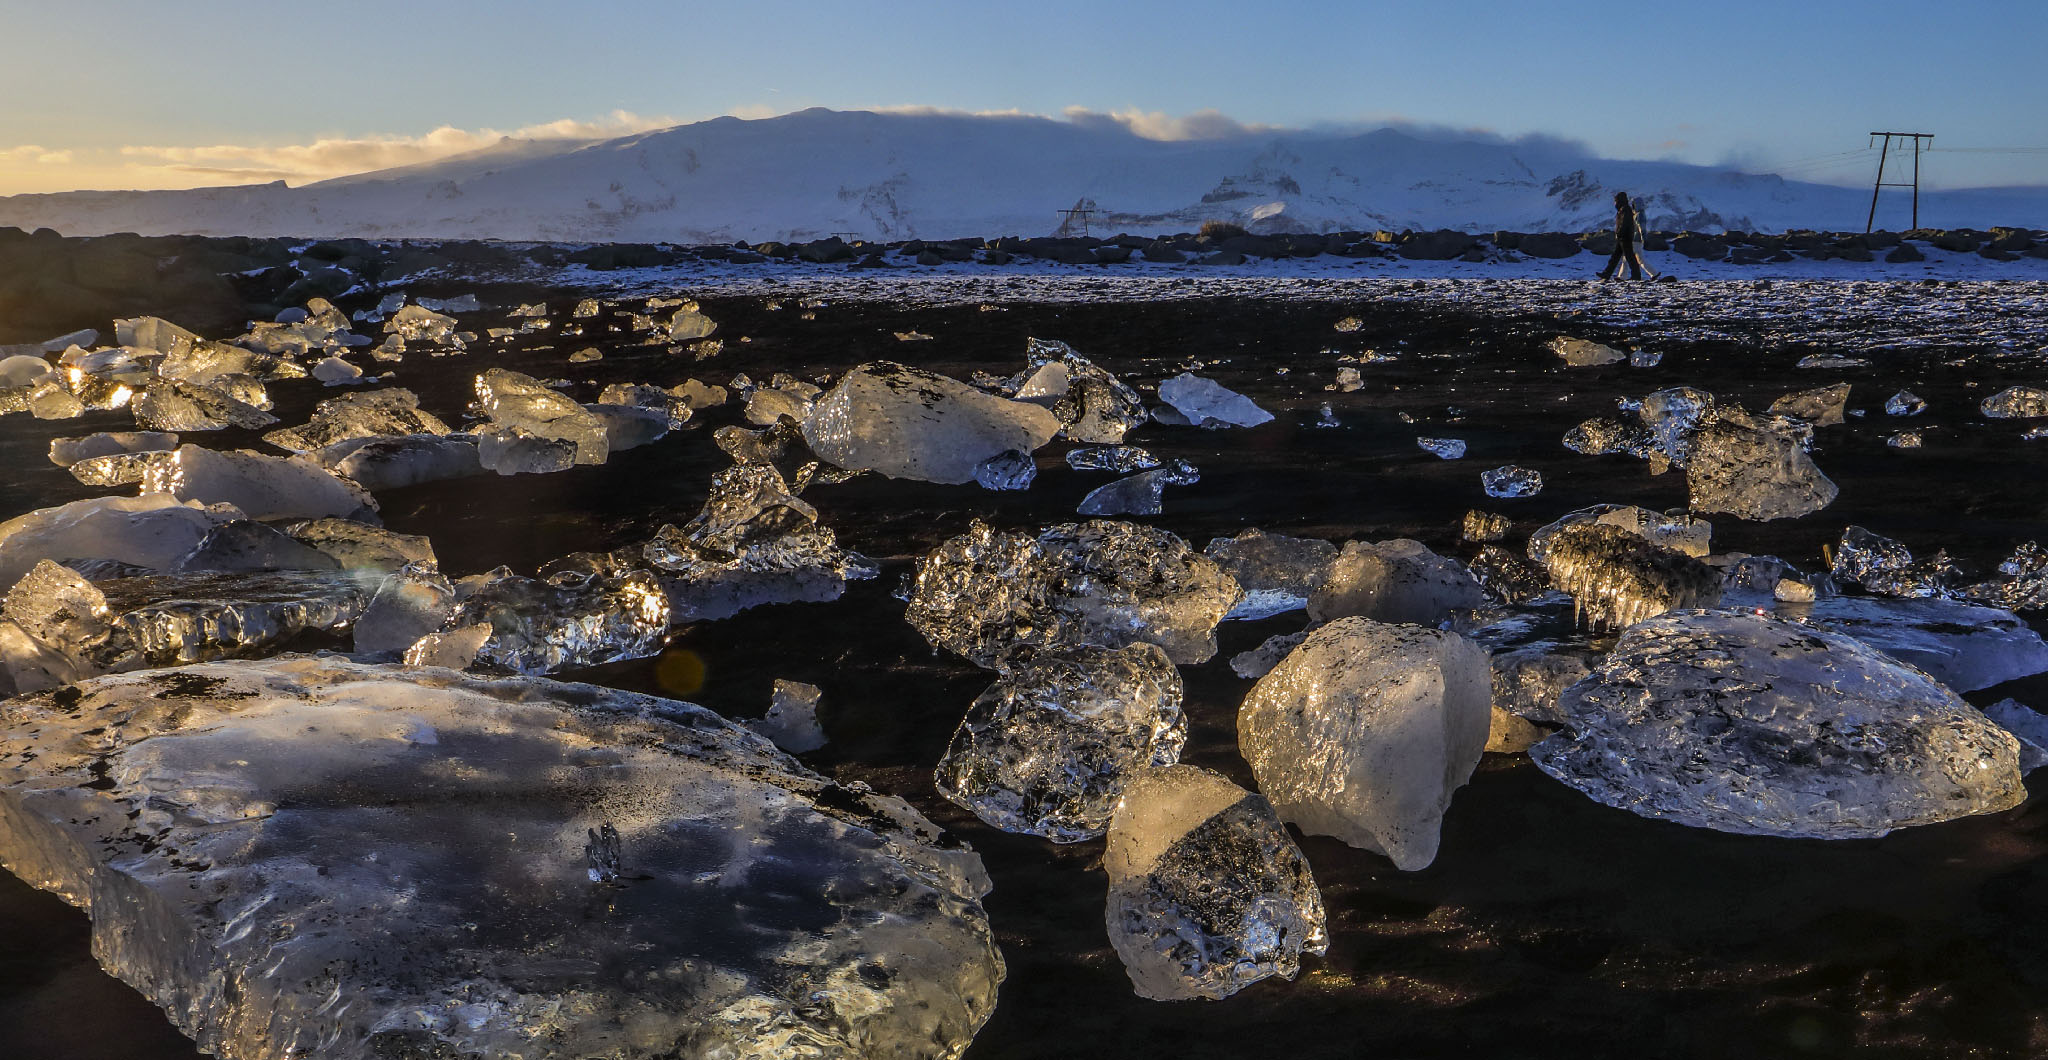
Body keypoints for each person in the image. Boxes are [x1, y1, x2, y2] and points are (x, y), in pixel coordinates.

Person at [1598, 190, 1650, 281]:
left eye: (1616, 200)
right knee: (1617, 256)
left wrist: (1621, 233)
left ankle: (1636, 276)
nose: (1615, 203)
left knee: (1629, 257)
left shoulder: (1625, 210)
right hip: (1622, 236)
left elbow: (1625, 224)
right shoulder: (1623, 210)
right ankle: (1607, 273)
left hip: (1625, 237)